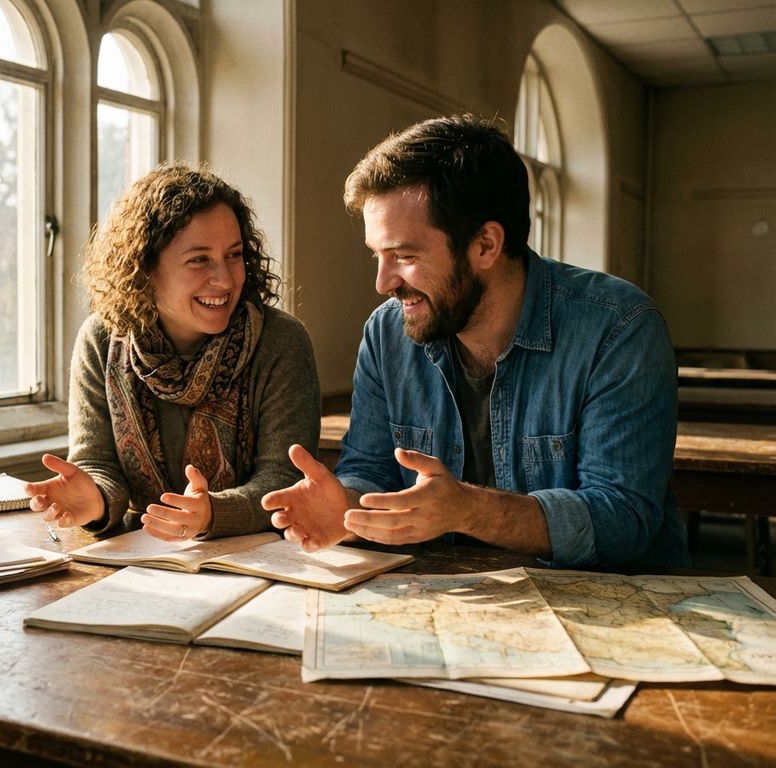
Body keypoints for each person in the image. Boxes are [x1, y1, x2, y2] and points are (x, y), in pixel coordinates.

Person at [263, 114, 689, 569]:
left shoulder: (619, 327)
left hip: (608, 608)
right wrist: (346, 505)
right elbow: (372, 472)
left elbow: (624, 520)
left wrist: (469, 510)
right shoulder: (387, 333)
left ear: (486, 245)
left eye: (404, 256)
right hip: (450, 597)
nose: (383, 282)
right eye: (378, 256)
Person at [27, 162, 320, 541]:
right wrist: (95, 501)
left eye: (234, 255)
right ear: (144, 267)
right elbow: (97, 465)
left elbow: (285, 479)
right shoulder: (100, 341)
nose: (226, 279)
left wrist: (214, 513)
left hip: (256, 560)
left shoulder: (281, 341)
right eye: (199, 259)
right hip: (142, 561)